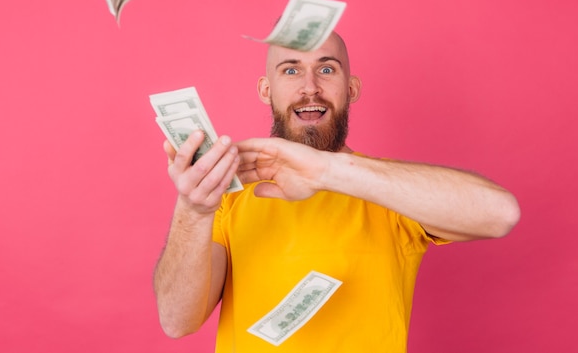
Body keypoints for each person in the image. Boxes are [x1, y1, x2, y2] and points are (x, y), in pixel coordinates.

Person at [153, 32, 520, 352]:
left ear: (351, 89)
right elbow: (176, 320)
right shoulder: (226, 197)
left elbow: (500, 213)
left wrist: (326, 170)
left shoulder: (386, 190)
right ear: (267, 90)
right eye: (291, 69)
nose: (310, 86)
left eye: (327, 69)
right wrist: (193, 209)